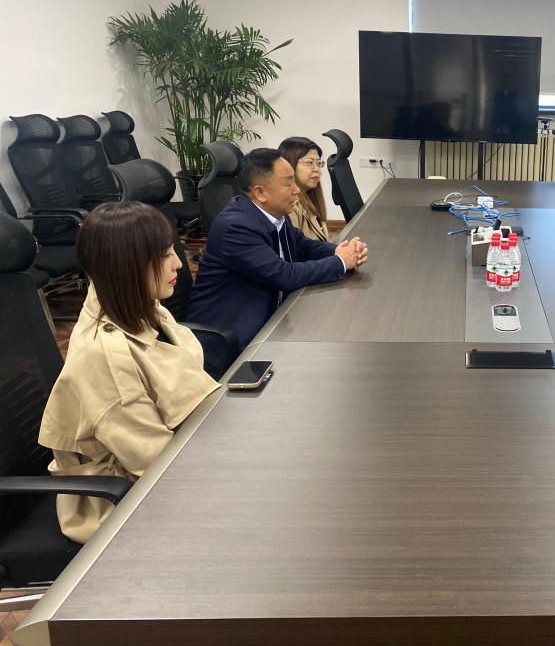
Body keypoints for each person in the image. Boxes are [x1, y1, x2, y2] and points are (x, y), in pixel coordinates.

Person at [38, 202, 220, 543]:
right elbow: (154, 462)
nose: (179, 263)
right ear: (126, 266)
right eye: (164, 255)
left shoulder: (136, 305)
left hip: (175, 450)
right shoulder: (104, 356)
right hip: (126, 499)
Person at [187, 148, 369, 357]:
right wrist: (340, 262)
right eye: (288, 183)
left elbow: (304, 246)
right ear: (260, 193)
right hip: (232, 341)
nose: (297, 190)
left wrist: (339, 250)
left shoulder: (274, 215)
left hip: (271, 320)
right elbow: (283, 275)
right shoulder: (236, 227)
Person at [279, 136, 329, 241]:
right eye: (309, 163)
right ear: (289, 165)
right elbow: (295, 249)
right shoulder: (289, 206)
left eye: (319, 163)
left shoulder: (309, 197)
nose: (317, 169)